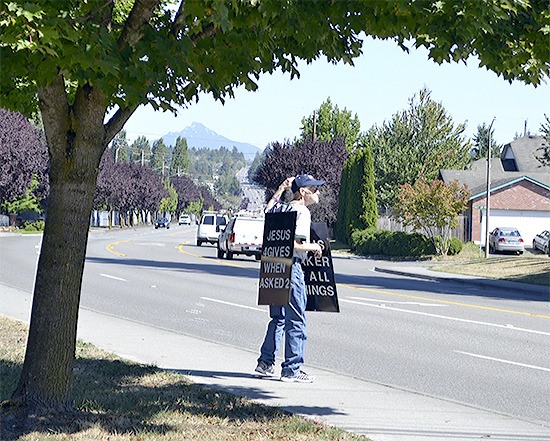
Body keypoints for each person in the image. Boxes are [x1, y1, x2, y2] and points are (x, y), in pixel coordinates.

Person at [255, 174, 324, 383]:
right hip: (291, 266)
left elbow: (267, 211)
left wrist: (280, 188)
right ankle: (291, 369)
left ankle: (265, 363)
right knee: (297, 320)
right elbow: (294, 244)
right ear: (303, 192)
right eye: (314, 189)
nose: (318, 193)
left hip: (273, 267)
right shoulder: (302, 212)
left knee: (278, 319)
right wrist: (315, 247)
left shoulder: (281, 208)